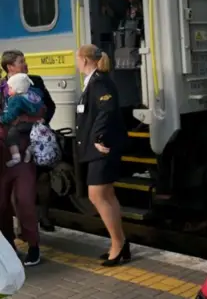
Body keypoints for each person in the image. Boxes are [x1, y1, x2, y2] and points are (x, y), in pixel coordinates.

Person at [75, 44, 129, 267]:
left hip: (103, 148)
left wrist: (97, 138)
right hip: (100, 147)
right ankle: (120, 243)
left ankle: (118, 244)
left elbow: (106, 111)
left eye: (77, 59)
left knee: (97, 195)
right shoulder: (96, 81)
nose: (76, 63)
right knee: (107, 194)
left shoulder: (100, 82)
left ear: (85, 60)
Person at [1, 49, 57, 232]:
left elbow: (50, 105)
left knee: (43, 176)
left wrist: (42, 121)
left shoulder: (36, 81)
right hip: (14, 139)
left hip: (36, 137)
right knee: (17, 186)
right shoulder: (2, 87)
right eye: (21, 62)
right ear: (10, 67)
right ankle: (22, 225)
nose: (26, 64)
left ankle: (44, 215)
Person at [0, 73, 45, 167]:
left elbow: (10, 116)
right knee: (31, 135)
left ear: (18, 89)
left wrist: (2, 119)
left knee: (12, 132)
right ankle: (29, 149)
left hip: (25, 123)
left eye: (10, 88)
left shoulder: (16, 100)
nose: (9, 90)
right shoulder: (32, 93)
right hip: (37, 122)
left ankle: (15, 157)